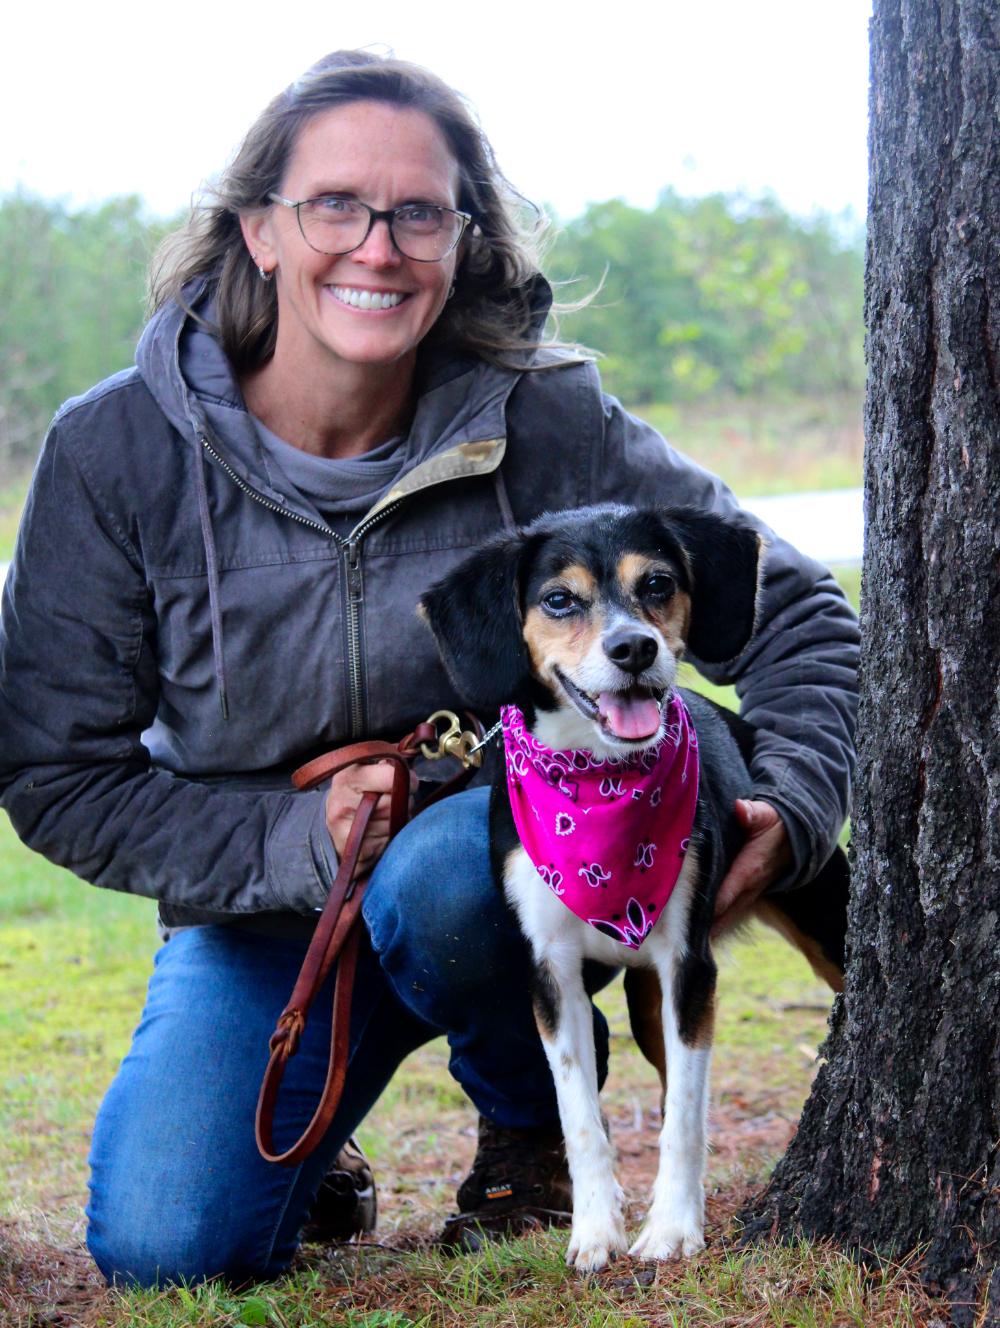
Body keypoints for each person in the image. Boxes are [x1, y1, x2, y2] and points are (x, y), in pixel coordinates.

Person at [0, 50, 859, 1288]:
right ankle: (319, 1128)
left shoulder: (547, 419)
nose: (378, 246)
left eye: (420, 213)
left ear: (462, 241)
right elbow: (55, 774)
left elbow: (796, 612)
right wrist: (300, 839)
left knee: (457, 867)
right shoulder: (111, 452)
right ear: (258, 230)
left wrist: (799, 802)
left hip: (488, 879)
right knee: (167, 1241)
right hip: (257, 915)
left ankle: (529, 1130)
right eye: (335, 206)